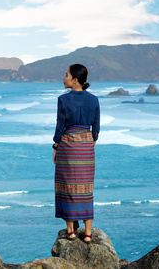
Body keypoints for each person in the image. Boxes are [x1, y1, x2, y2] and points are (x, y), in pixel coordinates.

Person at [52, 64, 100, 243]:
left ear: (75, 79)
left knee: (67, 186)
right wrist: (87, 142)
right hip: (86, 147)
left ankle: (71, 231)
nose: (63, 78)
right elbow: (96, 130)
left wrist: (56, 147)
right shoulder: (94, 100)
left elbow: (60, 127)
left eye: (66, 75)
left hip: (67, 146)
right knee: (86, 187)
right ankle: (88, 233)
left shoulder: (63, 100)